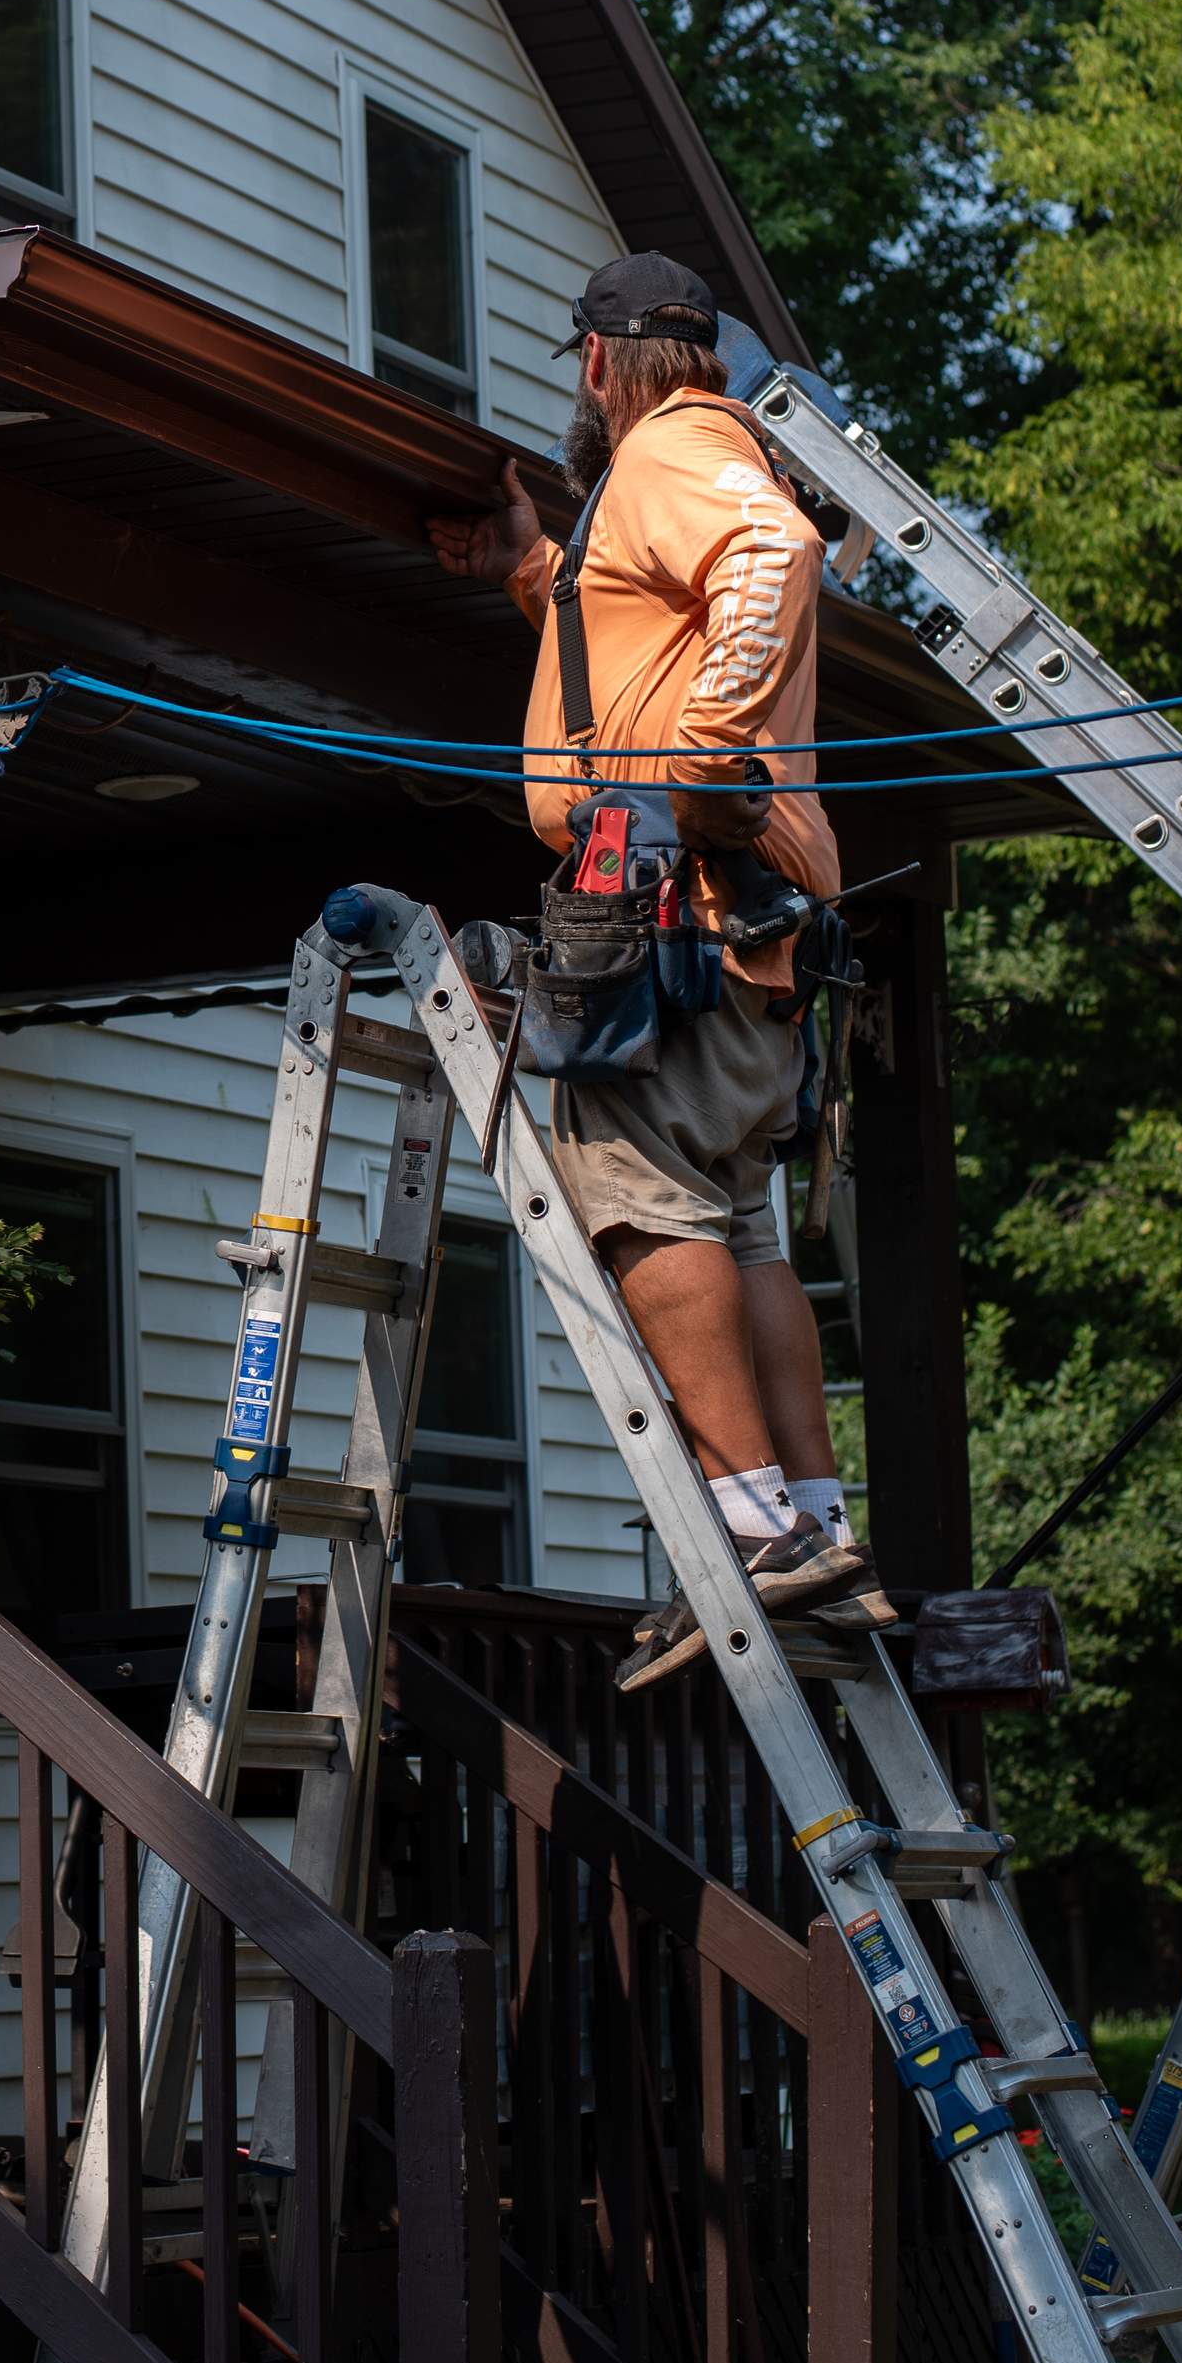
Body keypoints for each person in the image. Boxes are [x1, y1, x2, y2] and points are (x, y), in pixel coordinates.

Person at [427, 250, 887, 1689]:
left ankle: (750, 1531)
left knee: (636, 1205)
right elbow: (633, 632)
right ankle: (811, 1526)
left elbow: (773, 556)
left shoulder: (679, 447)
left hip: (676, 914)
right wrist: (531, 572)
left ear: (595, 365)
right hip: (740, 936)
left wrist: (707, 750)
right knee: (737, 1224)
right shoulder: (651, 481)